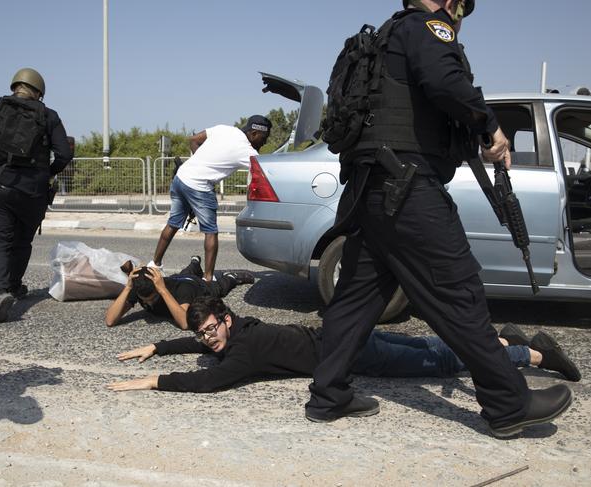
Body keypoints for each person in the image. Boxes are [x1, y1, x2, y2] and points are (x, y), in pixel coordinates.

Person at [306, 0, 573, 438]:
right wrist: (490, 126)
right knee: (459, 293)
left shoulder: (385, 36)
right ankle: (509, 404)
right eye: (462, 8)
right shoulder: (429, 27)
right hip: (408, 188)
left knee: (357, 298)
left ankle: (327, 395)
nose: (460, 17)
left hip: (370, 188)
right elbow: (446, 82)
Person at [106, 297, 580, 394]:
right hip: (344, 337)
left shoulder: (243, 351)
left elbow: (210, 380)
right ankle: (505, 341)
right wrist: (159, 346)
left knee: (439, 362)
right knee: (434, 345)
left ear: (224, 319)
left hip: (353, 352)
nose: (208, 339)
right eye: (202, 334)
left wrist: (155, 381)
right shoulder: (243, 329)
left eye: (211, 329)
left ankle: (533, 354)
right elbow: (206, 354)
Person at [0, 68, 72, 323]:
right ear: (39, 93)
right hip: (34, 191)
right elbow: (64, 154)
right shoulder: (49, 116)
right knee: (22, 240)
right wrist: (46, 173)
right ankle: (15, 286)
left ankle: (0, 294)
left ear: (14, 86)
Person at [152, 115, 272, 282]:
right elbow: (268, 171)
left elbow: (193, 140)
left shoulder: (226, 129)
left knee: (173, 223)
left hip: (182, 177)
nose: (264, 143)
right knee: (211, 231)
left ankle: (154, 264)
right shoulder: (247, 151)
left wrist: (199, 163)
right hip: (199, 187)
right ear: (253, 133)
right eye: (263, 138)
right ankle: (208, 278)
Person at [105, 256, 254, 329]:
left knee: (218, 289)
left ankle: (231, 277)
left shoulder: (181, 291)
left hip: (194, 285)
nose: (149, 303)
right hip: (177, 277)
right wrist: (128, 287)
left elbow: (184, 323)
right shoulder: (140, 287)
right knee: (185, 272)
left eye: (153, 298)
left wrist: (163, 291)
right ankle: (194, 264)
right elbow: (110, 320)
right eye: (146, 300)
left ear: (159, 286)